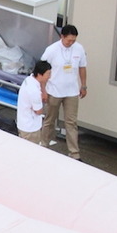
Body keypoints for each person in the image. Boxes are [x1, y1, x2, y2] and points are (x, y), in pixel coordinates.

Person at [40, 24, 88, 160]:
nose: (71, 43)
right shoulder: (52, 50)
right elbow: (41, 69)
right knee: (49, 120)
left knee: (71, 122)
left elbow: (82, 67)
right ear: (62, 37)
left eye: (74, 40)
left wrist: (83, 85)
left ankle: (74, 153)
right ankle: (44, 145)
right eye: (69, 40)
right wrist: (43, 90)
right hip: (54, 90)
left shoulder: (79, 48)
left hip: (71, 91)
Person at [18, 59, 53, 146]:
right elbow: (38, 111)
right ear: (40, 74)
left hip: (23, 124)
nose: (49, 76)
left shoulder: (28, 80)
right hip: (31, 129)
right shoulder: (34, 91)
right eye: (48, 74)